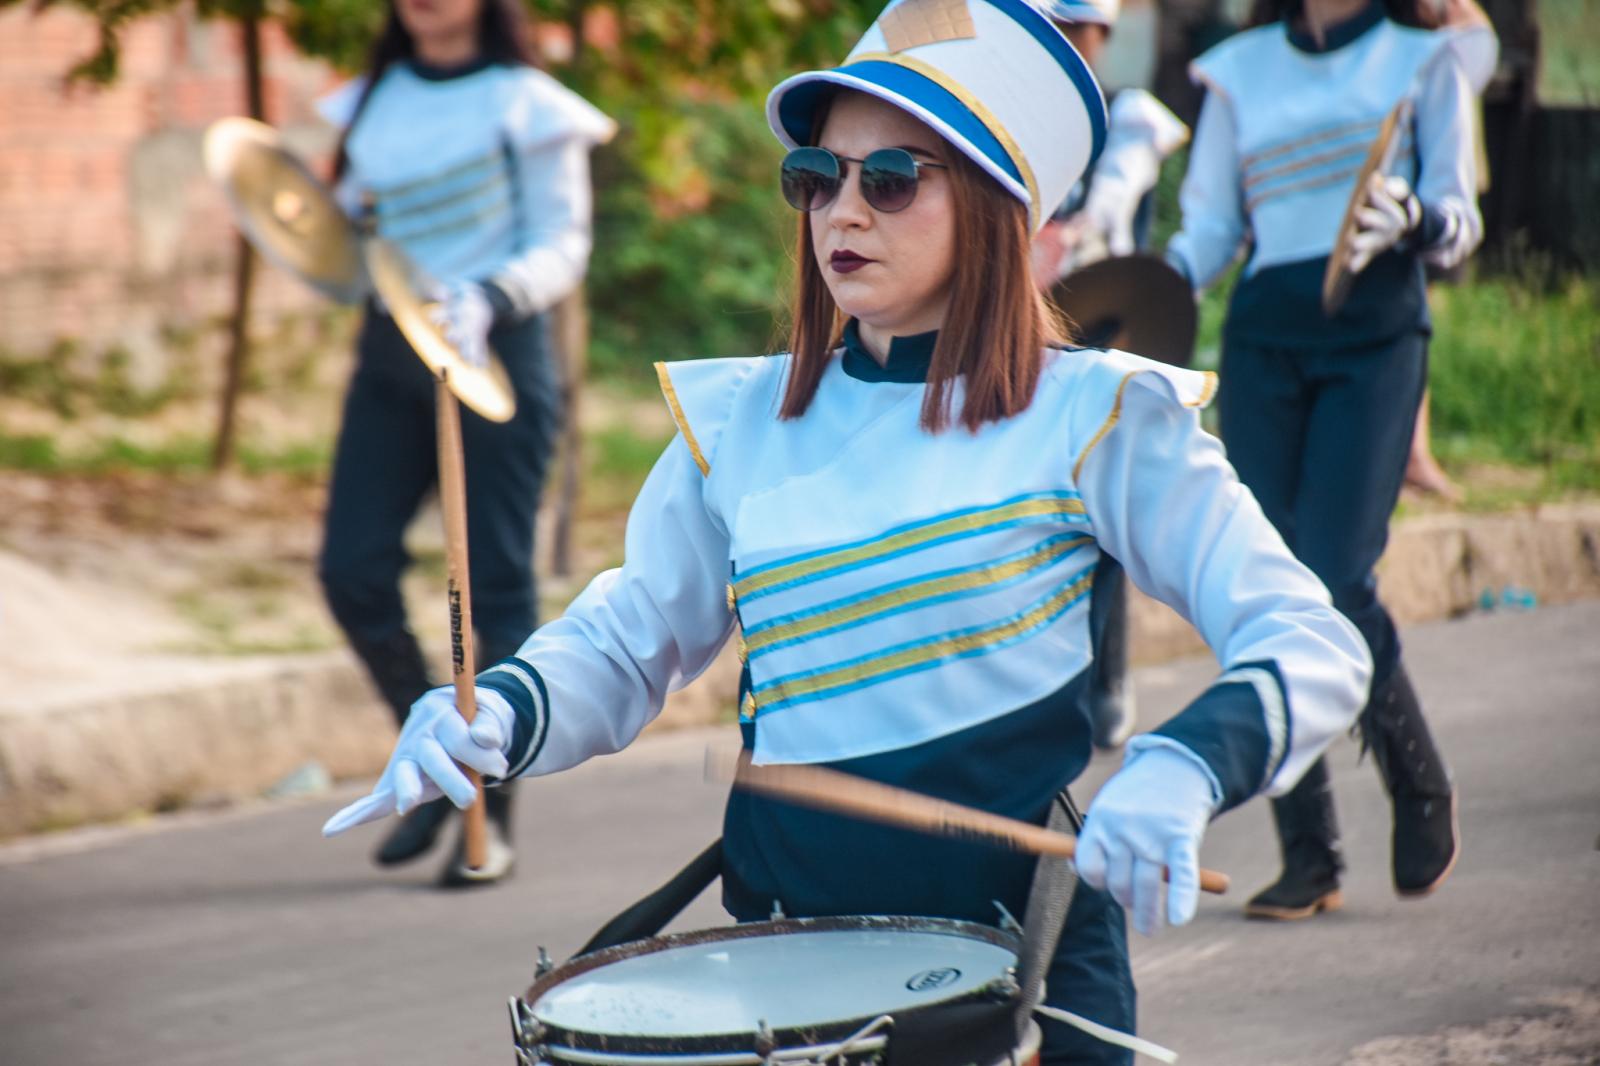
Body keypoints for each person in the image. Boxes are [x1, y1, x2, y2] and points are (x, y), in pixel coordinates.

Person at [326, 2, 1370, 1060]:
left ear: (992, 201)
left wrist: (1188, 763)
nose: (841, 212)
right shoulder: (741, 420)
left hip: (1023, 967)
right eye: (818, 177)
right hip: (791, 964)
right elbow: (627, 638)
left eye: (891, 179)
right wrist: (497, 712)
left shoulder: (1095, 413)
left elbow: (1311, 641)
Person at [1164, 0, 1482, 920]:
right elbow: (1211, 234)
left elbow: (1461, 217)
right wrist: (1128, 289)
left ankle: (1419, 784)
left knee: (1339, 573)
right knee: (1266, 586)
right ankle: (1310, 853)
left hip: (1376, 331)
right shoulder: (1236, 69)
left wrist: (1417, 216)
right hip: (1264, 338)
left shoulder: (1428, 60)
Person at [315, 0, 614, 885]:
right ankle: (444, 765)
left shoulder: (527, 102)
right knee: (351, 568)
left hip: (495, 353)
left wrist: (490, 296)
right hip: (390, 352)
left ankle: (497, 809)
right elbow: (341, 240)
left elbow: (565, 241)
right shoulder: (367, 102)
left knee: (494, 582)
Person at [1032, 0, 1191, 751]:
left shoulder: (1127, 119)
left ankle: (1110, 681)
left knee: (1102, 517)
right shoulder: (1013, 113)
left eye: (1076, 29)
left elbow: (1117, 194)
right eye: (1052, 27)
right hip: (1023, 332)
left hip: (1103, 328)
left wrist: (1078, 227)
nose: (1065, 43)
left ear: (1102, 33)